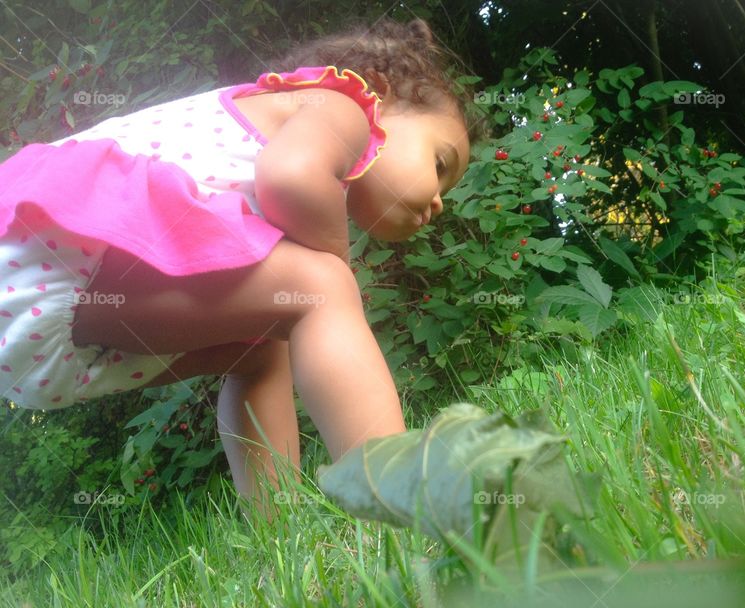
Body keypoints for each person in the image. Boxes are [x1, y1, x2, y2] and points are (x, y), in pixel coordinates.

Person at [0, 17, 480, 518]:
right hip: (49, 249)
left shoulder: (284, 111)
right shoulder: (343, 106)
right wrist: (336, 272)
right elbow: (290, 178)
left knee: (260, 351)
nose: (439, 202)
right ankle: (398, 506)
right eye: (440, 164)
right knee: (322, 288)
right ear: (380, 93)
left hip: (30, 305)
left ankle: (278, 535)